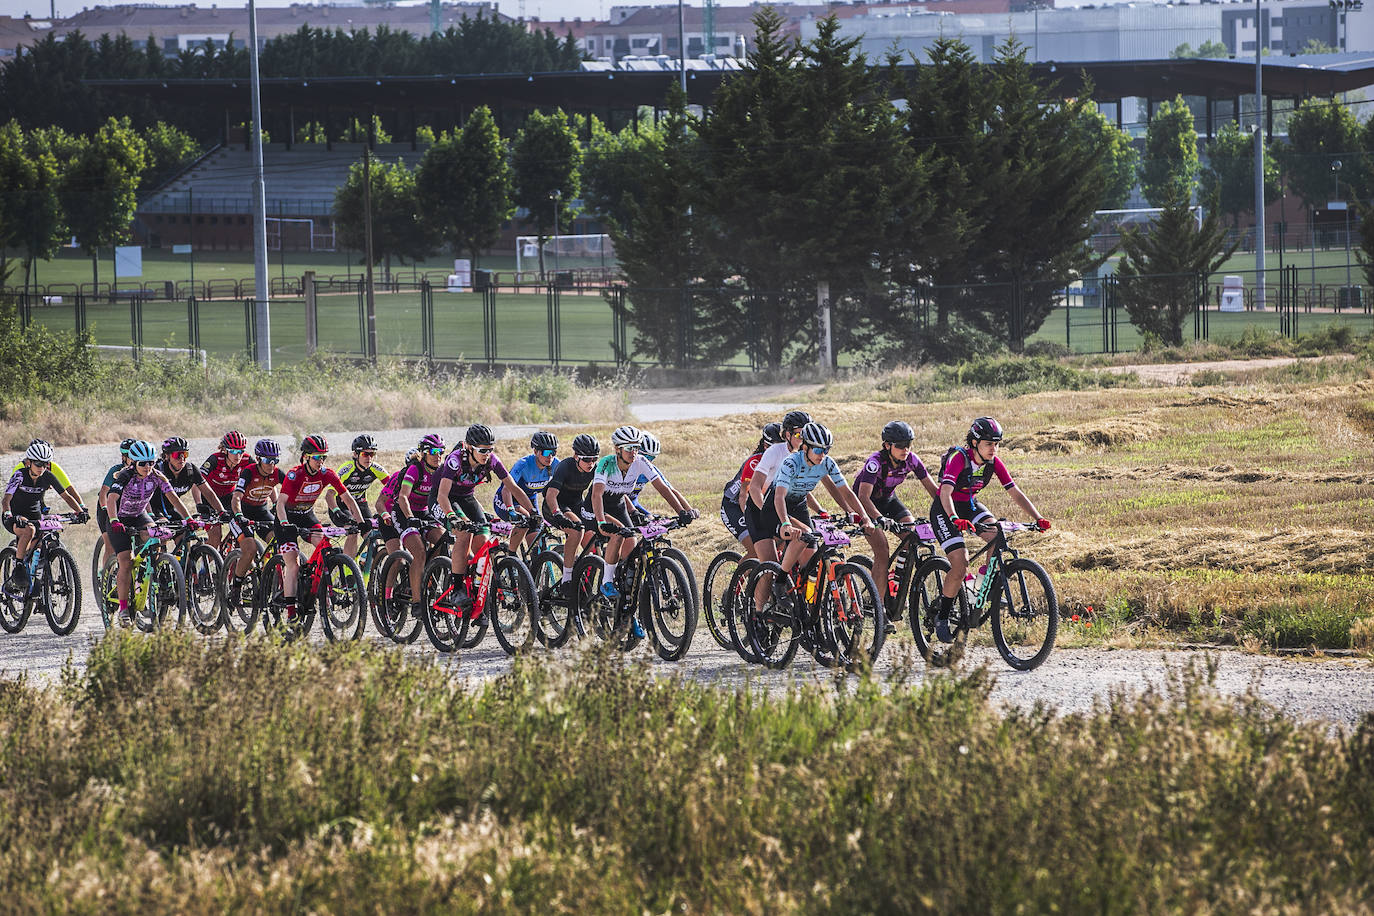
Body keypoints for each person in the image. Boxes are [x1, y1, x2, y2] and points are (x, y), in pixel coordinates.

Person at [931, 417, 1051, 643]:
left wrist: (1038, 517)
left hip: (970, 504)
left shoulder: (994, 462)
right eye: (989, 444)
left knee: (997, 535)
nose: (993, 449)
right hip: (945, 510)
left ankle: (981, 583)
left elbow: (1015, 492)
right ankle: (943, 615)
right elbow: (945, 492)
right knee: (960, 563)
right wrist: (954, 518)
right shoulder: (959, 458)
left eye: (997, 444)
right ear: (975, 443)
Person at [757, 422, 874, 613]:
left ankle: (806, 607)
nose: (822, 454)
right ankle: (779, 582)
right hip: (776, 507)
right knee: (804, 534)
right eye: (818, 450)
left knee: (810, 564)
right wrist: (785, 523)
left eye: (826, 449)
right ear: (805, 447)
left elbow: (846, 492)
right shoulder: (791, 462)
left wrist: (864, 517)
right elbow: (778, 496)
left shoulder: (827, 462)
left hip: (798, 505)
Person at [587, 425, 694, 604]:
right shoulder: (606, 463)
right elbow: (596, 494)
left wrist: (682, 512)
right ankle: (606, 581)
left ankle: (624, 586)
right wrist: (600, 521)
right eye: (629, 448)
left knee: (632, 546)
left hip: (619, 504)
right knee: (619, 533)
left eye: (636, 447)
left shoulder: (641, 462)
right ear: (617, 449)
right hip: (597, 507)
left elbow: (663, 488)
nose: (633, 452)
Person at [435, 424, 534, 610]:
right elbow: (442, 495)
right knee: (464, 533)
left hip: (466, 498)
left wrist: (533, 512)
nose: (487, 454)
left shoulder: (491, 460)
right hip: (443, 498)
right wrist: (451, 516)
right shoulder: (455, 460)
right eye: (482, 450)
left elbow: (512, 487)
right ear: (469, 447)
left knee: (483, 540)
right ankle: (457, 588)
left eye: (490, 449)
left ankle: (473, 581)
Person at [853, 420, 939, 625]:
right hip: (865, 504)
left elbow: (933, 489)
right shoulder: (875, 462)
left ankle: (897, 583)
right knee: (882, 550)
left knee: (912, 536)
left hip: (888, 500)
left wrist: (948, 512)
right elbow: (863, 496)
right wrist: (879, 519)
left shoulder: (912, 460)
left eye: (908, 444)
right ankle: (878, 607)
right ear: (887, 446)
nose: (905, 449)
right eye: (900, 445)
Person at [275, 435, 364, 620]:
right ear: (306, 457)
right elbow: (280, 504)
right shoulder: (295, 474)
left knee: (326, 546)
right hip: (287, 519)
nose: (321, 461)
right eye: (317, 457)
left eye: (323, 456)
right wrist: (284, 523)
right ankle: (291, 611)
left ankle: (315, 583)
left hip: (307, 515)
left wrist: (360, 522)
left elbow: (348, 498)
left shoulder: (327, 473)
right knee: (293, 563)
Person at [104, 440, 190, 626]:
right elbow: (111, 500)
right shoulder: (125, 476)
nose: (147, 467)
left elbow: (173, 499)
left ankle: (149, 573)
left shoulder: (157, 476)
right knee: (125, 561)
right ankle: (124, 608)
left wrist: (188, 518)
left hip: (138, 515)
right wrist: (114, 521)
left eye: (151, 462)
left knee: (156, 537)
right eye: (142, 463)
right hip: (118, 518)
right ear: (134, 463)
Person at [375, 433, 448, 622]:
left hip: (423, 511)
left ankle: (427, 576)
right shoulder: (413, 471)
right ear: (423, 453)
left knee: (444, 540)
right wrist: (409, 518)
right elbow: (401, 498)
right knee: (416, 552)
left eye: (441, 451)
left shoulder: (440, 472)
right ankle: (413, 602)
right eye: (433, 451)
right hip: (401, 512)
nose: (437, 455)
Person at [3, 441, 88, 597]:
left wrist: (80, 511)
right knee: (29, 530)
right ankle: (19, 568)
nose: (42, 467)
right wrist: (8, 514)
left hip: (35, 515)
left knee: (45, 535)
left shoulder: (47, 476)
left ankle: (38, 580)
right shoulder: (19, 475)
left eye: (45, 464)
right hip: (16, 516)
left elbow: (66, 496)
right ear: (29, 462)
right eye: (38, 463)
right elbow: (6, 500)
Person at [744, 410, 823, 579]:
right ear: (787, 434)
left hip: (788, 507)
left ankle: (800, 600)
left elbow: (803, 491)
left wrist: (821, 511)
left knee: (809, 562)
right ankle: (759, 605)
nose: (803, 439)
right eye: (799, 434)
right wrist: (767, 510)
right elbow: (755, 487)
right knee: (769, 569)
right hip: (760, 508)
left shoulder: (807, 456)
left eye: (807, 434)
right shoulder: (774, 452)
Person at [226, 438, 286, 604]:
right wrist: (238, 515)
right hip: (242, 513)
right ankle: (236, 587)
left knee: (279, 540)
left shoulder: (277, 473)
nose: (271, 464)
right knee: (250, 549)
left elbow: (291, 491)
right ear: (259, 459)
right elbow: (236, 497)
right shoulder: (249, 472)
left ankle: (269, 573)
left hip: (261, 511)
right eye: (267, 460)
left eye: (275, 460)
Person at [542, 433, 600, 596]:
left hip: (575, 505)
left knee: (594, 547)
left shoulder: (595, 469)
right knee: (577, 530)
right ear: (576, 456)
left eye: (594, 459)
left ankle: (584, 590)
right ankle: (566, 580)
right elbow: (551, 494)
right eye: (587, 459)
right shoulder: (565, 466)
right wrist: (557, 513)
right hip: (554, 505)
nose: (591, 463)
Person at [720, 423, 783, 558]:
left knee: (781, 541)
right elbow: (744, 496)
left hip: (758, 503)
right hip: (735, 506)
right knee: (755, 550)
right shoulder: (755, 463)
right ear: (766, 446)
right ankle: (738, 579)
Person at [492, 431, 559, 557]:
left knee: (536, 544)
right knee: (525, 520)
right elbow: (506, 489)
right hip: (507, 499)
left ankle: (533, 567)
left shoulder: (556, 464)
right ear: (535, 451)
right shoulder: (523, 464)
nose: (550, 456)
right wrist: (510, 509)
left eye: (553, 452)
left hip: (529, 499)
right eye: (545, 452)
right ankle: (511, 556)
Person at [328, 434, 388, 558]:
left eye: (372, 454)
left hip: (360, 504)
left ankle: (367, 564)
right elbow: (329, 495)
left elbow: (393, 487)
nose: (369, 458)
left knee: (371, 537)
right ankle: (348, 570)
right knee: (353, 531)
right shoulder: (347, 469)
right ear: (355, 454)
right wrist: (336, 511)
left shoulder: (376, 468)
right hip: (340, 505)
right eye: (365, 454)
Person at [200, 430, 250, 552]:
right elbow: (197, 482)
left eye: (240, 451)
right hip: (209, 499)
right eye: (233, 451)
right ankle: (203, 567)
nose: (237, 456)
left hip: (229, 497)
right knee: (216, 537)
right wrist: (198, 504)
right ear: (225, 450)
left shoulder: (247, 460)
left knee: (242, 528)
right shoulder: (215, 459)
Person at [151, 436, 219, 522]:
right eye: (177, 455)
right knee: (165, 531)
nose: (182, 458)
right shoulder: (158, 470)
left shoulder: (191, 470)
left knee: (188, 531)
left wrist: (221, 512)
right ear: (167, 456)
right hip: (153, 509)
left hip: (172, 508)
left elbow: (209, 493)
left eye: (185, 454)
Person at [96, 439, 137, 565]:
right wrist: (105, 509)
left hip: (127, 510)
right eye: (131, 457)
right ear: (124, 457)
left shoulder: (140, 470)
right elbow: (103, 493)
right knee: (110, 545)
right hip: (108, 508)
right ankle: (105, 575)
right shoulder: (115, 470)